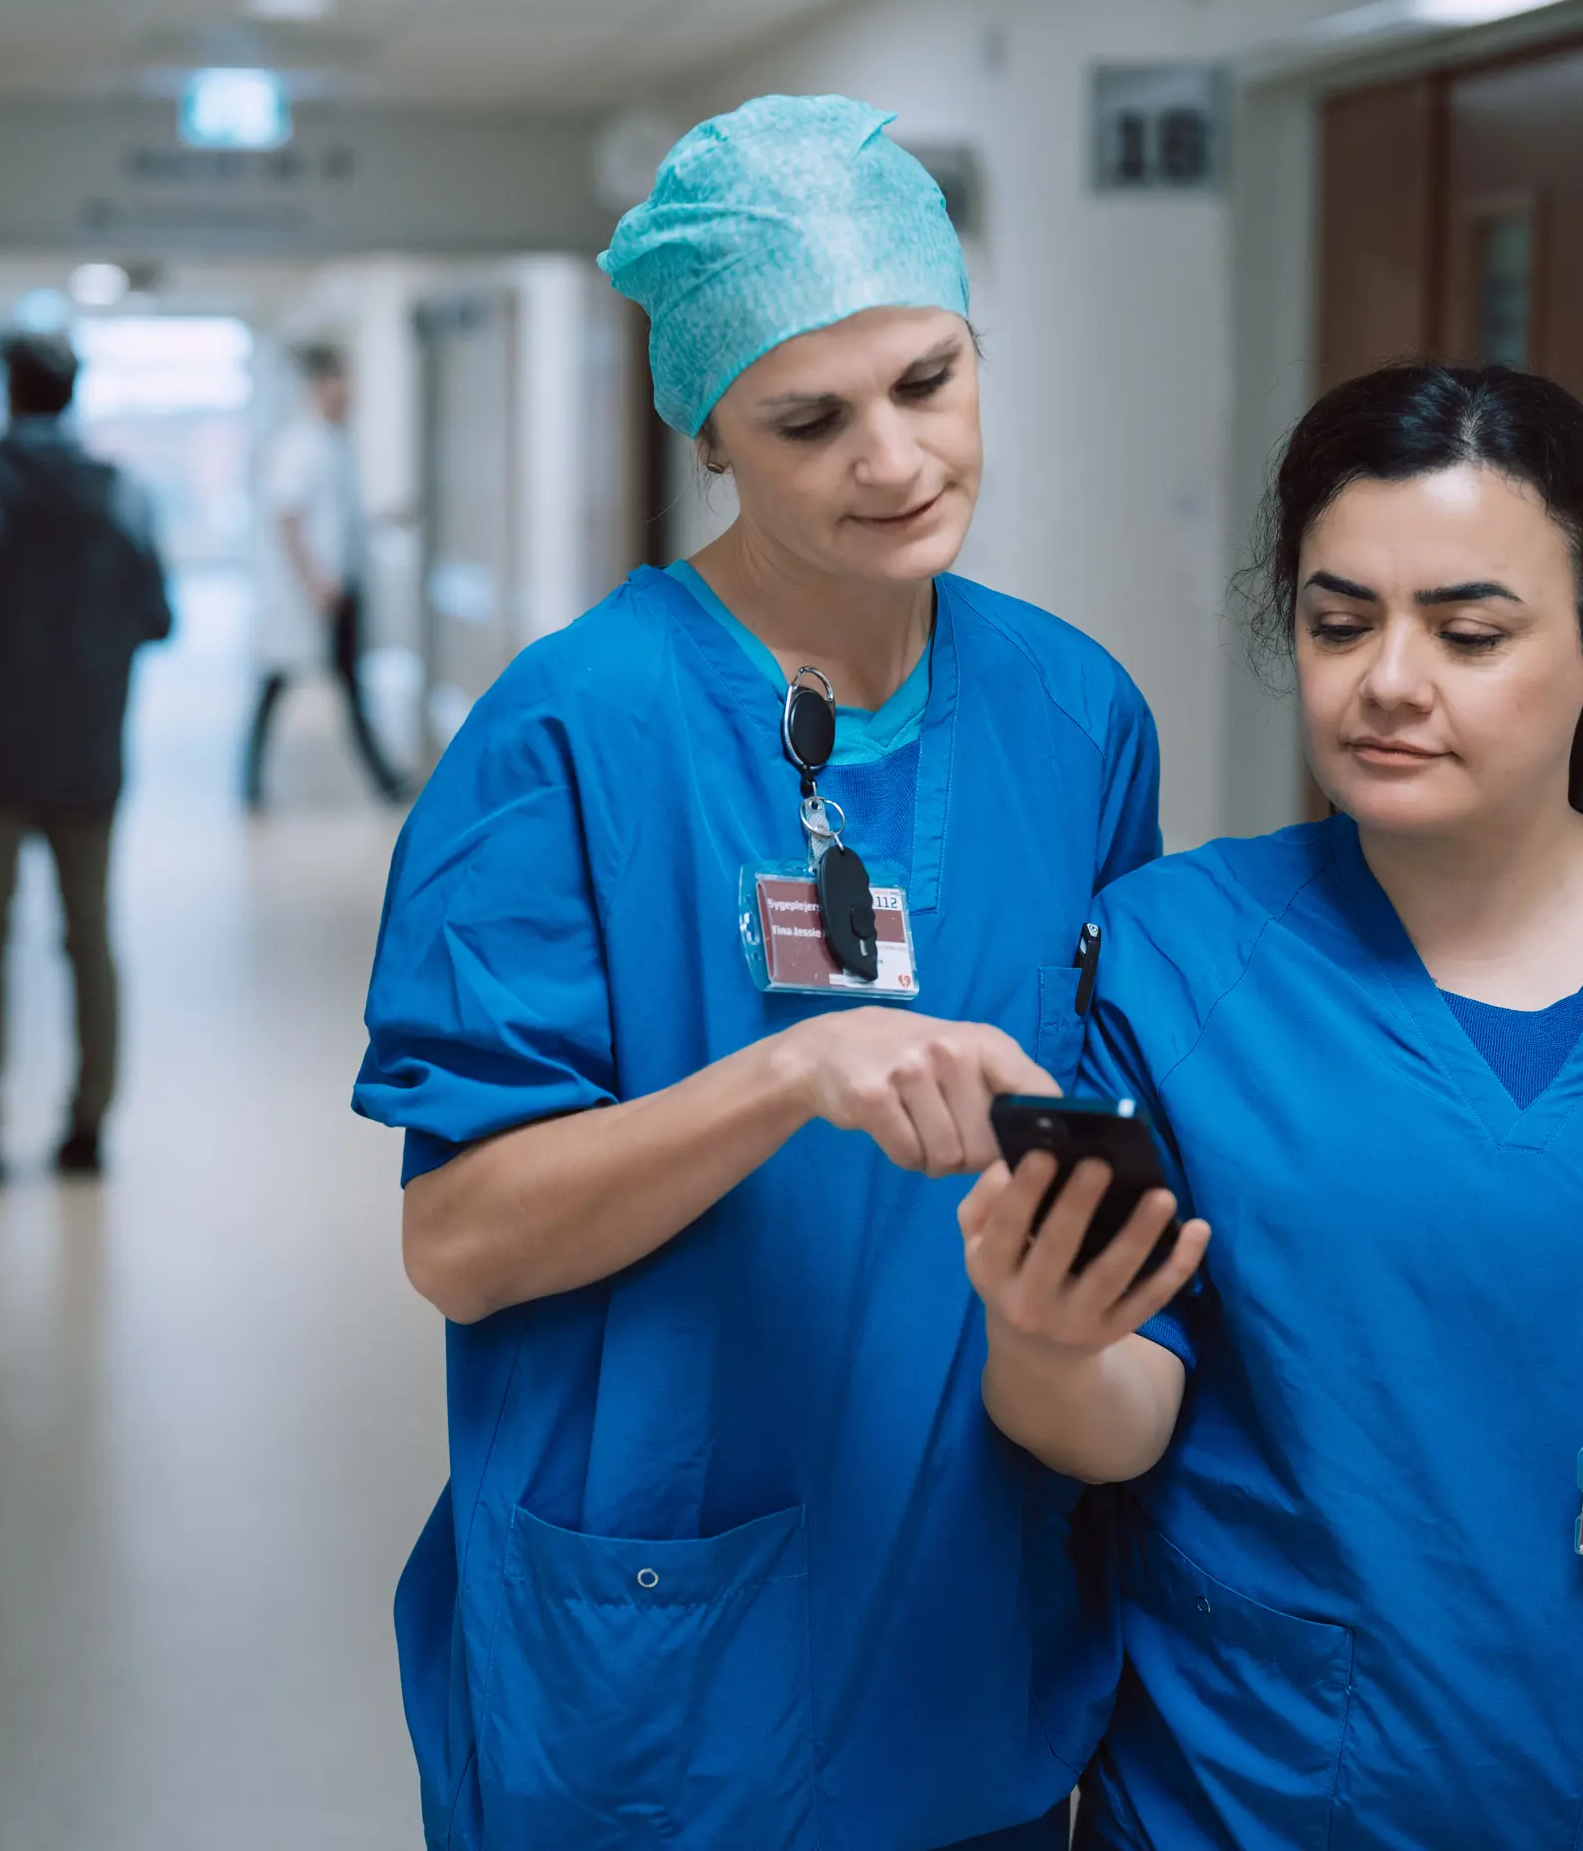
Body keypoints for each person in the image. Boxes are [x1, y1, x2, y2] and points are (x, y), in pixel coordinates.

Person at [353, 95, 1192, 1851]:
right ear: (710, 431)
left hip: (975, 1593)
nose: (892, 462)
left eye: (928, 383)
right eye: (809, 421)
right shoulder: (572, 733)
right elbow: (462, 1239)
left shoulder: (1076, 715)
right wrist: (786, 1075)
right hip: (668, 1648)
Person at [961, 363, 1583, 1848]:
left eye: (1469, 632)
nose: (1389, 681)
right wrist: (1043, 1338)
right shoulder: (1177, 959)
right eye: (1340, 624)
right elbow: (1109, 1417)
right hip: (1264, 1789)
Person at [0, 334, 172, 1183]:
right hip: (88, 751)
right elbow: (159, 616)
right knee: (88, 936)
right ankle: (89, 1125)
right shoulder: (121, 494)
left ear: (6, 392)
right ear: (70, 394)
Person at [242, 341, 407, 809]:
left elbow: (337, 518)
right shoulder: (302, 444)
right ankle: (249, 783)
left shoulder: (337, 442)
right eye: (342, 380)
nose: (350, 391)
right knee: (276, 686)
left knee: (349, 688)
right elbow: (288, 518)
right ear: (321, 385)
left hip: (342, 588)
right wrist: (315, 582)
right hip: (314, 594)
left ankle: (384, 778)